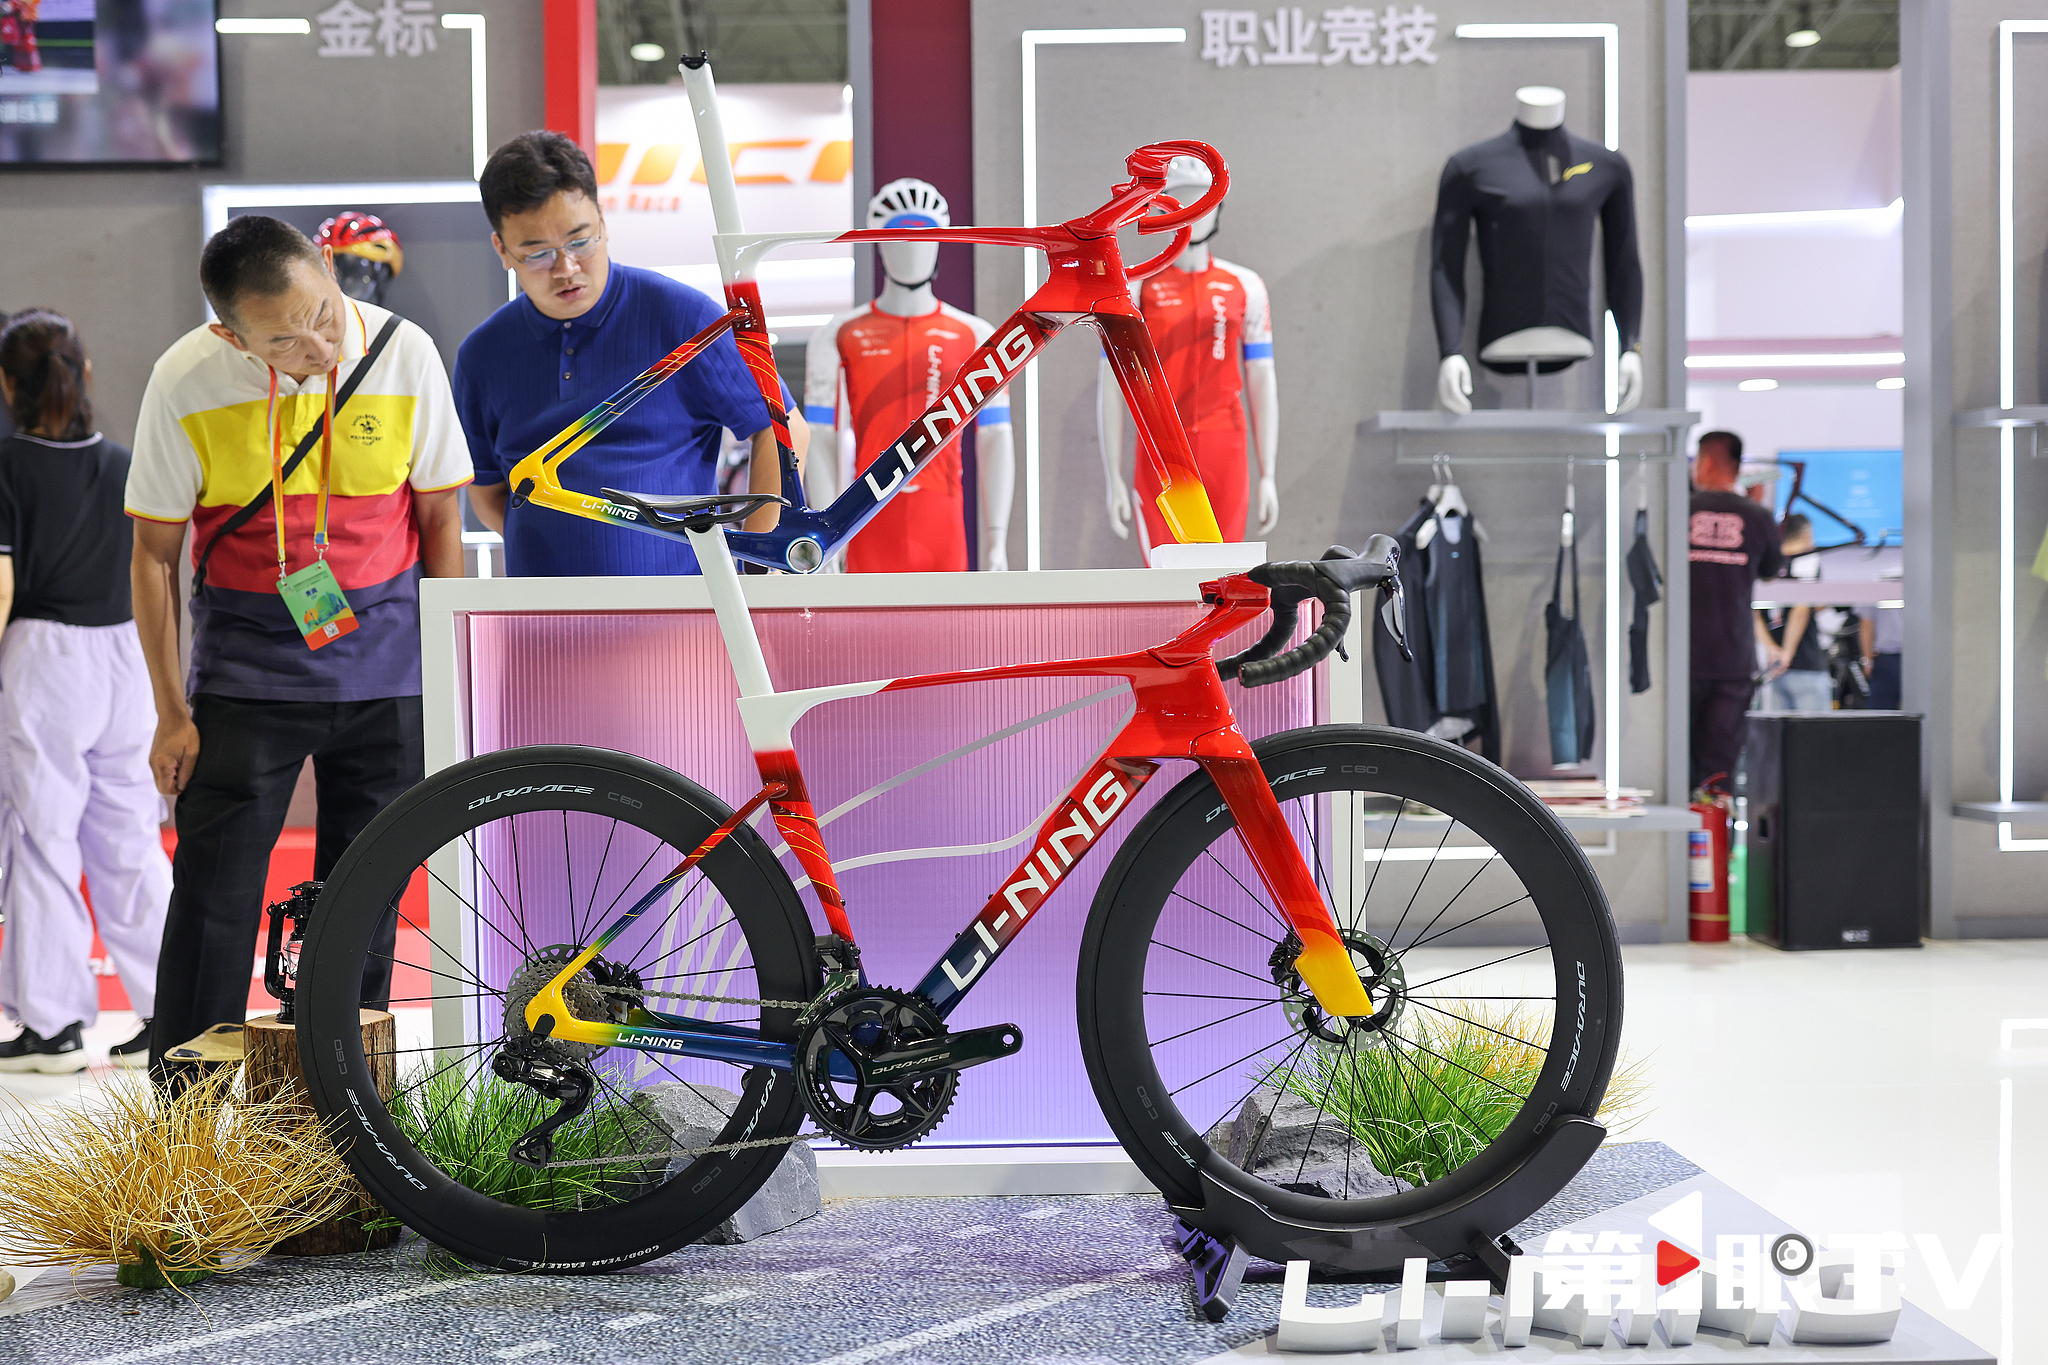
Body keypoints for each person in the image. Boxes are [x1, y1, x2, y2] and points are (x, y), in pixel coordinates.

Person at [127, 215, 471, 1079]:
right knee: (213, 900)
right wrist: (170, 712)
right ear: (230, 336)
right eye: (284, 339)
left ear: (327, 267)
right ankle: (188, 1115)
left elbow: (440, 518)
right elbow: (153, 556)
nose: (319, 345)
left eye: (322, 313)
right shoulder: (185, 379)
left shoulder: (405, 353)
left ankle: (337, 1104)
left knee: (364, 904)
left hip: (390, 673)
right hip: (246, 678)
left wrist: (449, 677)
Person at [455, 131, 805, 575]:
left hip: (684, 607)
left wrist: (758, 564)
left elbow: (782, 428)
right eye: (538, 254)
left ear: (603, 222)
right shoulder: (482, 356)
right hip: (541, 613)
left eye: (580, 241)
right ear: (502, 250)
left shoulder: (684, 319)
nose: (566, 269)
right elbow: (488, 493)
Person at [0, 310, 170, 1072]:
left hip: (44, 659)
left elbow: (2, 584)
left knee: (42, 840)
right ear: (86, 371)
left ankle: (54, 1026)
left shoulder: (6, 464)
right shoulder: (125, 464)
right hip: (125, 655)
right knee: (130, 839)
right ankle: (169, 1012)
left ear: (6, 383)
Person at [1688, 430, 1781, 790]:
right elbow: (1770, 571)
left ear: (1707, 461)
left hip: (1684, 660)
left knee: (1677, 762)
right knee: (1718, 771)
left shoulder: (1682, 510)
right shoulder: (1758, 516)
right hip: (1733, 660)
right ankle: (1714, 826)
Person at [1755, 513, 1831, 712]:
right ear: (1806, 534)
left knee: (1779, 729)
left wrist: (1772, 649)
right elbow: (1801, 609)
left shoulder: (1767, 560)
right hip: (1805, 665)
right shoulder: (1806, 559)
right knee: (1815, 729)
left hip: (1774, 666)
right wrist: (1787, 653)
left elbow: (1754, 614)